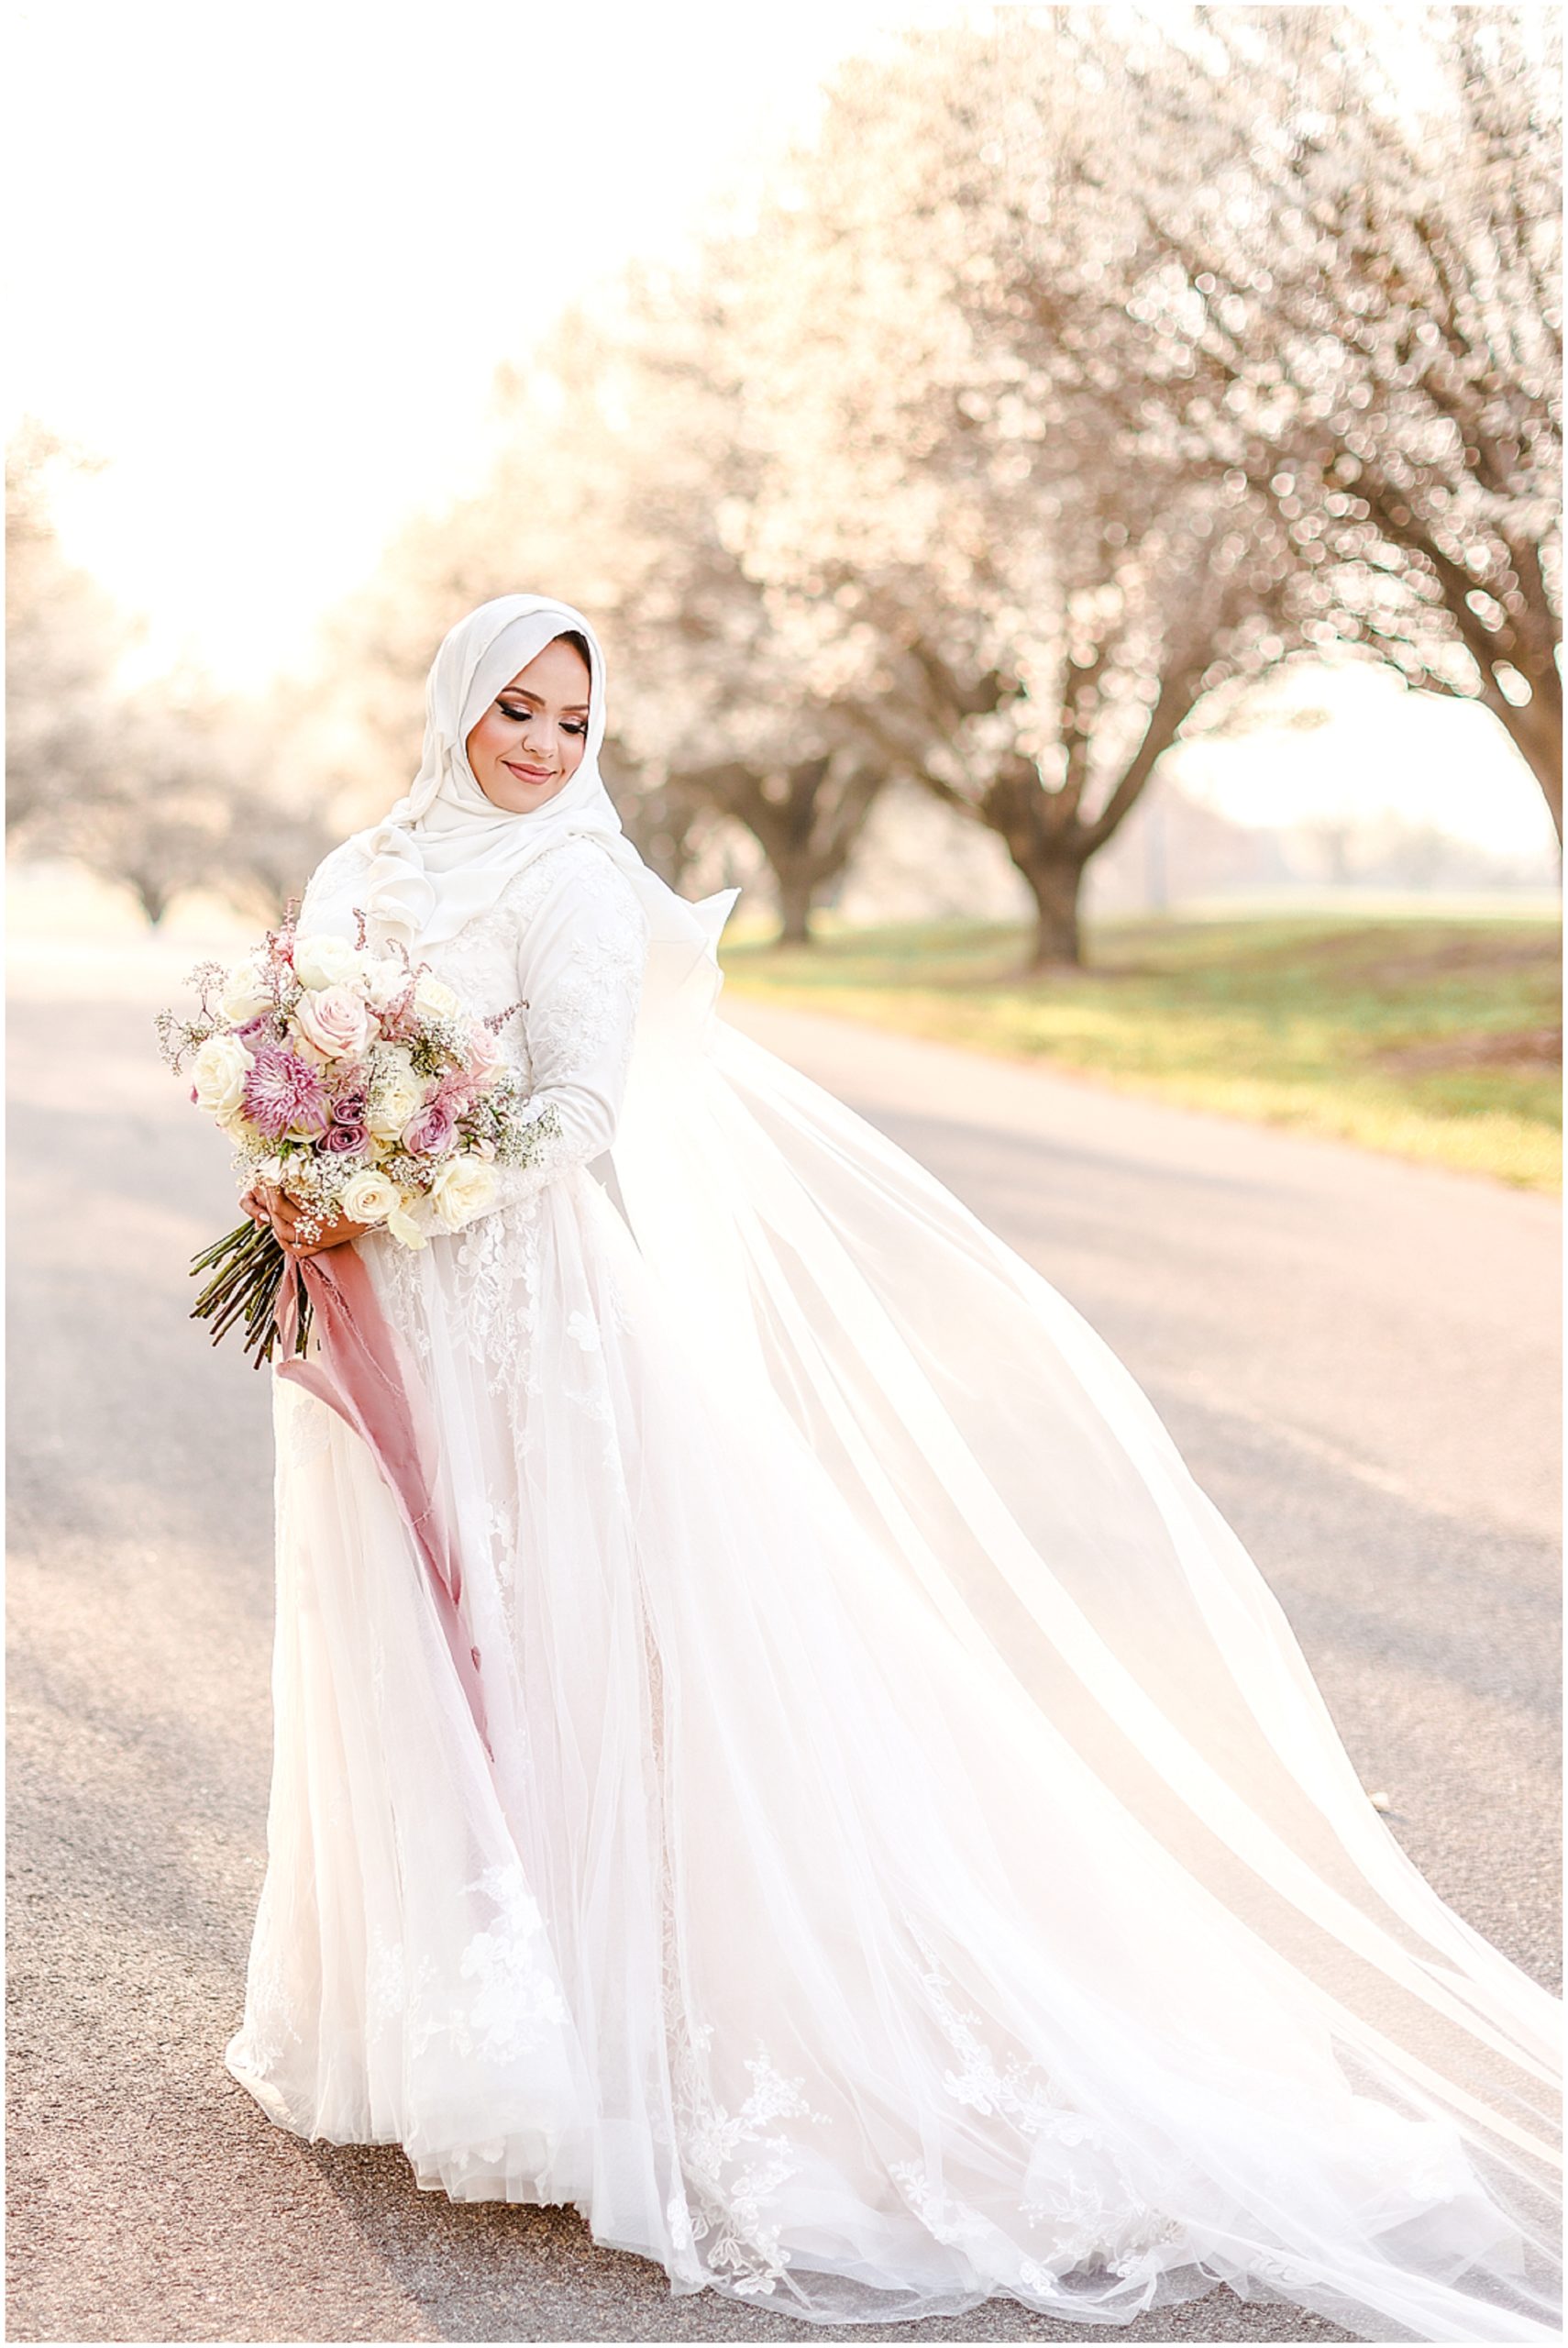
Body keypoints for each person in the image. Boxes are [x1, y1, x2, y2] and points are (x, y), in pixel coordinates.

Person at [225, 593, 1560, 2342]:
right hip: (364, 1299)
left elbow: (581, 1113)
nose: (545, 747)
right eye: (517, 711)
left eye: (572, 719)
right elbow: (293, 1052)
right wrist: (296, 1167)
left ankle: (579, 2047)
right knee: (388, 1626)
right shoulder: (355, 870)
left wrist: (414, 1172)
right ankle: (417, 2033)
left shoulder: (569, 884)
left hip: (519, 1319)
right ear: (454, 701)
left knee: (542, 1646)